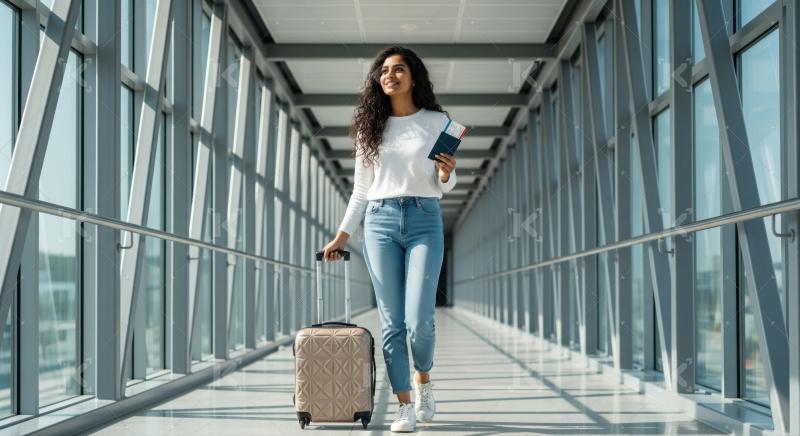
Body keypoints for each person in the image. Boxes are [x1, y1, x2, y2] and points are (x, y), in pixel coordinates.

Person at [322, 46, 457, 433]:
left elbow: (444, 183)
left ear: (414, 77)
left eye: (398, 69)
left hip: (424, 219)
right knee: (392, 323)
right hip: (379, 223)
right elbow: (361, 190)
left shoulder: (438, 122)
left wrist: (448, 174)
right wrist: (342, 236)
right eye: (383, 70)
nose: (389, 75)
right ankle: (404, 407)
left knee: (419, 321)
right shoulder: (370, 128)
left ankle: (424, 379)